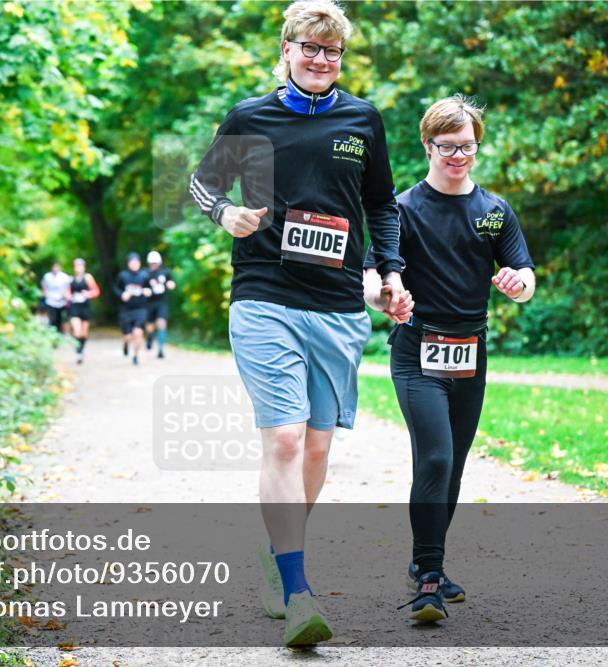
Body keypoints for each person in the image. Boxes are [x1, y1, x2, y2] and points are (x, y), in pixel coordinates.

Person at [189, 0, 411, 647]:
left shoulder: (362, 119)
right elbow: (203, 184)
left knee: (316, 447)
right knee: (284, 440)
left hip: (339, 305)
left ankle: (277, 552)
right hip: (264, 294)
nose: (320, 59)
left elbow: (380, 206)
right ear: (286, 49)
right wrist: (225, 215)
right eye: (308, 48)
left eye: (331, 51)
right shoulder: (250, 117)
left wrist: (390, 273)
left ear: (341, 58)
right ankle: (297, 593)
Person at [363, 95, 535, 622]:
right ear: (427, 145)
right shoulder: (403, 210)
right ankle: (429, 580)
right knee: (435, 457)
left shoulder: (494, 212)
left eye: (468, 147)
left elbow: (526, 277)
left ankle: (425, 563)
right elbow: (371, 274)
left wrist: (516, 284)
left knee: (452, 468)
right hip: (417, 352)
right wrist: (384, 297)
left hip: (470, 355)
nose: (458, 156)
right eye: (447, 147)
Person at [114, 252, 152, 366]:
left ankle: (136, 355)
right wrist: (122, 295)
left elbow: (150, 289)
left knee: (138, 332)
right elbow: (115, 289)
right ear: (128, 264)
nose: (134, 265)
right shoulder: (123, 276)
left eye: (136, 263)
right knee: (128, 336)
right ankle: (126, 344)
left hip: (140, 309)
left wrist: (148, 291)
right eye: (132, 263)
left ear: (140, 263)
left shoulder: (144, 275)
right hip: (126, 310)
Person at [66, 258, 100, 364]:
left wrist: (88, 294)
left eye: (80, 266)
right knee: (77, 330)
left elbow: (96, 291)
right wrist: (70, 297)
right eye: (76, 266)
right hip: (75, 307)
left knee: (84, 333)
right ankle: (78, 352)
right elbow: (67, 292)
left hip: (85, 306)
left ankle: (81, 350)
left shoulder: (88, 278)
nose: (78, 268)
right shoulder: (71, 279)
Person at [144, 250, 176, 359]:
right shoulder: (145, 273)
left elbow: (171, 282)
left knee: (162, 323)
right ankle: (149, 337)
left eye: (155, 263)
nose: (153, 265)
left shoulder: (165, 272)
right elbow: (141, 285)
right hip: (149, 303)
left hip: (162, 302)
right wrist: (145, 290)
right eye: (152, 263)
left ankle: (161, 349)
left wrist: (171, 284)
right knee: (150, 327)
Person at [40, 262, 71, 335]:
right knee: (52, 319)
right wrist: (45, 295)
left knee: (61, 319)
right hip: (50, 302)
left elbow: (69, 288)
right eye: (54, 267)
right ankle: (53, 335)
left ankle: (61, 333)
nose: (55, 269)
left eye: (57, 267)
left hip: (62, 302)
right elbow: (43, 286)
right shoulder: (47, 276)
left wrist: (68, 298)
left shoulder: (64, 277)